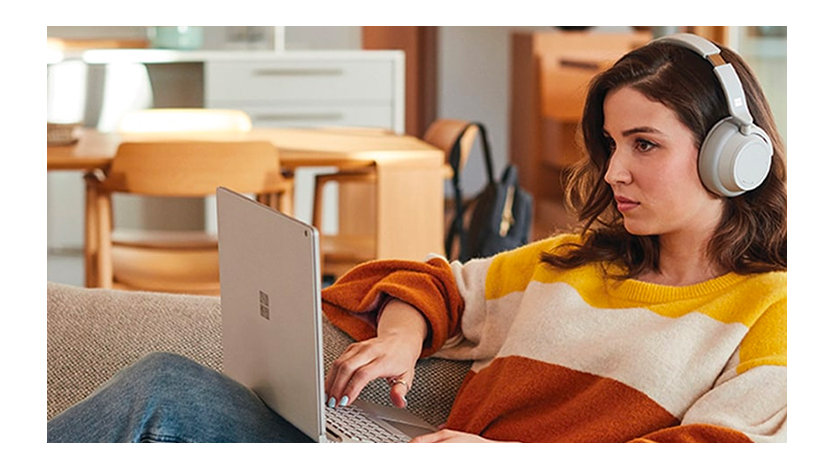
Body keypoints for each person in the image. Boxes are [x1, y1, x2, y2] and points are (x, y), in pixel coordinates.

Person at [47, 33, 786, 443]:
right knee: (166, 384)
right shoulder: (572, 263)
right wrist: (403, 336)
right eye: (610, 144)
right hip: (413, 453)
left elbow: (718, 456)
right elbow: (436, 280)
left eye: (644, 145)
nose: (614, 170)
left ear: (732, 154)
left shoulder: (774, 308)